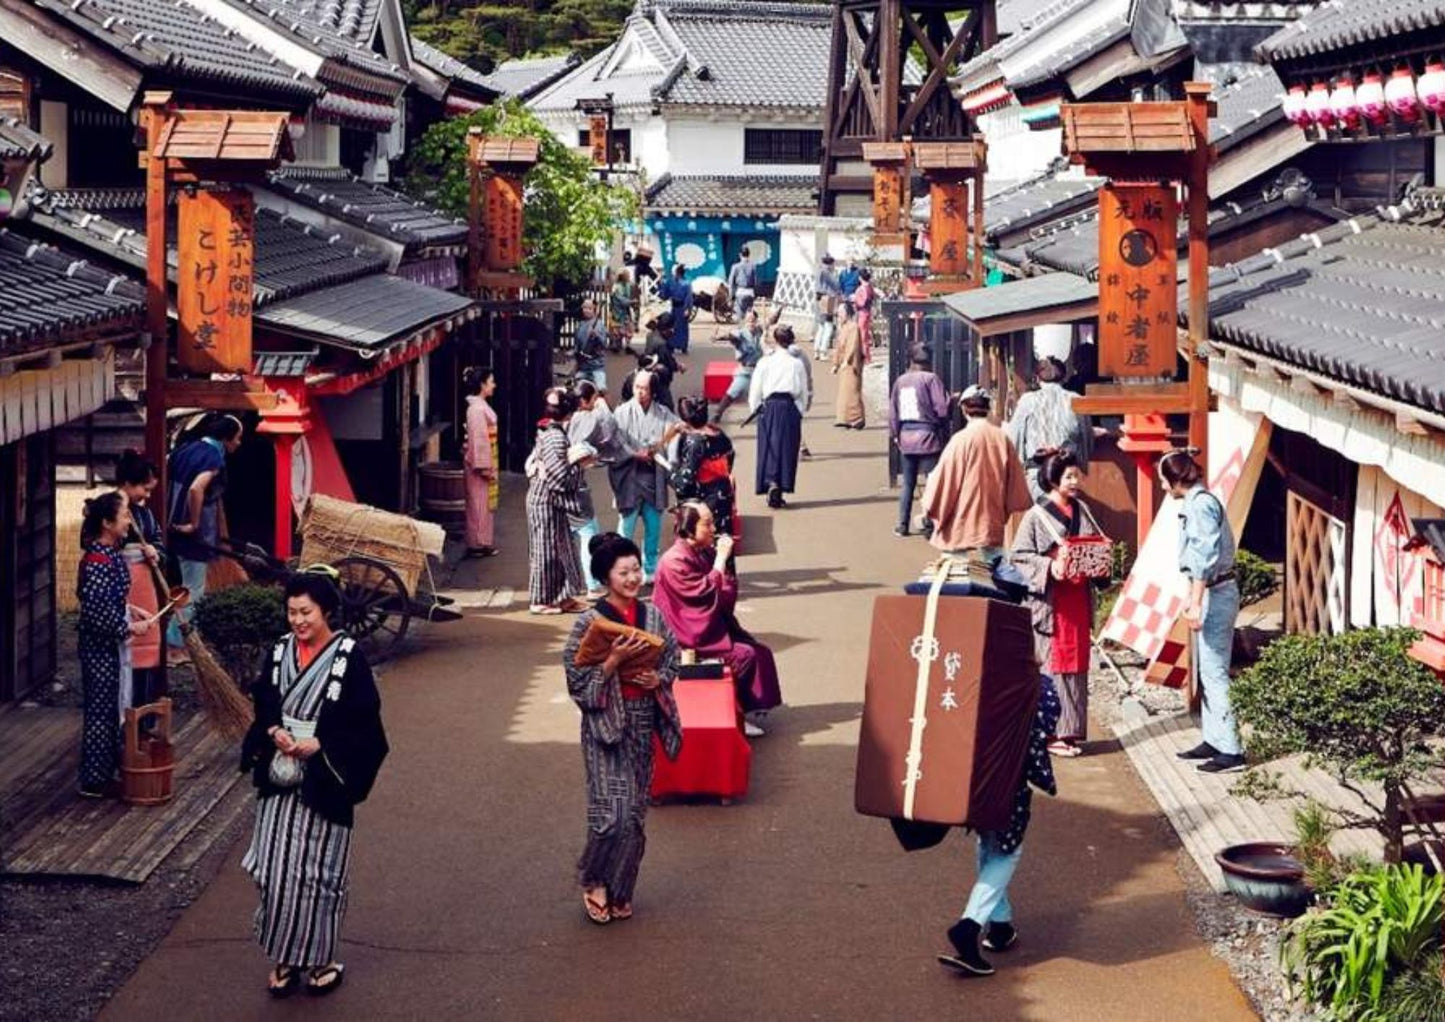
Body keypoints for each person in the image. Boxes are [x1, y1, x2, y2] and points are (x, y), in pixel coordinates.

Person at [239, 569, 388, 998]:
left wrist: (321, 741)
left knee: (316, 873)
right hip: (280, 777)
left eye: (306, 612)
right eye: (291, 612)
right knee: (274, 869)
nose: (298, 621)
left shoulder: (347, 655)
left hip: (325, 775)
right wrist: (272, 731)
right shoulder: (280, 649)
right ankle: (285, 957)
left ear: (326, 611)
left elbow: (364, 718)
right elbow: (265, 696)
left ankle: (322, 958)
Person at [563, 533, 682, 925]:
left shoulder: (653, 616)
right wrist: (612, 661)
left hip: (642, 718)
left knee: (633, 814)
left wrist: (657, 679)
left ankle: (620, 887)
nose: (633, 578)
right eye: (624, 571)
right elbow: (577, 681)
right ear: (606, 577)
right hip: (604, 724)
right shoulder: (588, 622)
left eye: (636, 569)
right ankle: (594, 878)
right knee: (609, 813)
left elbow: (672, 656)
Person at [939, 676, 1060, 977]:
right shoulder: (1033, 685)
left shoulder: (973, 674)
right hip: (1008, 783)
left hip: (973, 780)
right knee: (1007, 853)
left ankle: (1001, 924)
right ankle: (969, 926)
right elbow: (1043, 726)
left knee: (989, 845)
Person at [653, 502, 782, 735]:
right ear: (689, 528)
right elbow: (702, 594)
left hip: (704, 626)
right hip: (685, 636)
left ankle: (745, 709)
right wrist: (721, 560)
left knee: (759, 650)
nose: (713, 528)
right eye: (707, 524)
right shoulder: (674, 561)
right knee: (744, 656)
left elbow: (720, 591)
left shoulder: (701, 551)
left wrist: (724, 567)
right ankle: (737, 714)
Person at [1009, 452, 1105, 757]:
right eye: (1069, 477)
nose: (1075, 482)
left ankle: (1071, 731)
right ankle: (1051, 733)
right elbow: (1019, 556)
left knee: (1077, 665)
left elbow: (1096, 542)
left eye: (1077, 476)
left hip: (1076, 598)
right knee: (1052, 664)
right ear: (1053, 479)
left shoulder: (1083, 509)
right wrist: (1050, 567)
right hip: (1051, 601)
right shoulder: (1035, 516)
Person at [1162, 449, 1245, 774]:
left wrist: (1195, 600)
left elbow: (1204, 556)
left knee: (1214, 671)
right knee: (1207, 669)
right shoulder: (1197, 503)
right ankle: (1215, 738)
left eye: (1162, 480)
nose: (1162, 487)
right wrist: (1191, 596)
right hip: (1210, 590)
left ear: (1173, 480)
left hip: (1216, 592)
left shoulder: (1201, 506)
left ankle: (1232, 750)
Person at [76, 492, 147, 798]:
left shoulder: (111, 555)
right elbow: (95, 613)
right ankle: (93, 779)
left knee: (115, 706)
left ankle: (110, 769)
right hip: (99, 649)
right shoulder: (95, 563)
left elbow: (111, 602)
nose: (129, 521)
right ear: (107, 523)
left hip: (112, 647)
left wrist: (131, 610)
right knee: (101, 711)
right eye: (125, 516)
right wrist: (128, 626)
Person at [165, 413, 242, 663]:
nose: (238, 444)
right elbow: (197, 488)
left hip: (173, 524)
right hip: (192, 533)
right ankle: (175, 645)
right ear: (226, 438)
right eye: (238, 439)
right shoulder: (213, 456)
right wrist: (194, 523)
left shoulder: (185, 449)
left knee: (187, 585)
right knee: (193, 590)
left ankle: (180, 639)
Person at [922, 385, 1032, 556]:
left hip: (960, 524)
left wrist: (929, 508)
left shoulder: (960, 440)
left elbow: (944, 482)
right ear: (988, 408)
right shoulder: (1002, 438)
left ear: (965, 409)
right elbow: (1016, 485)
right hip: (991, 522)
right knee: (992, 571)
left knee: (958, 573)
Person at [611, 372, 683, 580]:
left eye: (645, 388)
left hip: (653, 476)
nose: (640, 393)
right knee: (626, 528)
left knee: (653, 527)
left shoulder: (663, 412)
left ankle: (650, 568)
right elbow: (616, 440)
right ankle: (621, 568)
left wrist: (668, 443)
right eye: (637, 387)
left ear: (653, 391)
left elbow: (675, 428)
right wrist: (633, 453)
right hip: (629, 476)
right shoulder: (622, 412)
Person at [526, 387, 589, 614]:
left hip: (550, 499)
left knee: (562, 548)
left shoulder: (548, 429)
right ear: (569, 413)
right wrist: (579, 466)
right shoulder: (554, 436)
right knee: (546, 550)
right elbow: (559, 479)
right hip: (546, 498)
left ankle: (563, 596)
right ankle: (541, 600)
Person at [115, 450, 164, 709]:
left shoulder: (144, 515)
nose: (147, 495)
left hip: (144, 583)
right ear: (128, 483)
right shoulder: (109, 508)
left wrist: (155, 551)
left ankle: (144, 713)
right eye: (144, 489)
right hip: (118, 585)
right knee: (124, 644)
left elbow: (157, 540)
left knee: (147, 641)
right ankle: (124, 717)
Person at [1007, 357, 1094, 500]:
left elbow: (1014, 439)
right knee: (1066, 516)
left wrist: (1021, 465)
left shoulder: (1028, 401)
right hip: (1068, 473)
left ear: (1037, 378)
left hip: (1039, 473)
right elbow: (1088, 443)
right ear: (1063, 376)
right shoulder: (1076, 399)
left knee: (1044, 516)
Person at [569, 380, 625, 598]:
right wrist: (602, 406)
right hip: (576, 487)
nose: (595, 402)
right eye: (593, 398)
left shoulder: (567, 418)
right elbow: (609, 430)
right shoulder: (586, 417)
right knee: (588, 534)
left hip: (561, 486)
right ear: (585, 400)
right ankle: (592, 584)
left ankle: (572, 584)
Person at [889, 345, 951, 538]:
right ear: (929, 360)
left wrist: (896, 435)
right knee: (931, 481)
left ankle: (902, 524)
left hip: (906, 437)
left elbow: (893, 413)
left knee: (908, 483)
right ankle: (930, 523)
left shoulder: (901, 381)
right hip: (928, 436)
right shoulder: (931, 379)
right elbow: (941, 408)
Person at [748, 324, 808, 509]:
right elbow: (803, 391)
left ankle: (770, 482)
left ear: (775, 340)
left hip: (769, 406)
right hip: (789, 406)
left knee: (768, 447)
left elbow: (756, 387)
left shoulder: (765, 362)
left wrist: (755, 407)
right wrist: (800, 410)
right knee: (787, 448)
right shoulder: (796, 363)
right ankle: (780, 485)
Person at [670, 396, 736, 536]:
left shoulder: (695, 442)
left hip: (704, 502)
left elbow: (684, 484)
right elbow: (730, 460)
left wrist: (669, 473)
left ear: (686, 420)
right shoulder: (719, 434)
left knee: (705, 547)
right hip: (723, 493)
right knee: (723, 540)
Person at [462, 366, 500, 559]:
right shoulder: (476, 410)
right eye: (491, 381)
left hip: (486, 459)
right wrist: (484, 466)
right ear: (482, 385)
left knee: (482, 504)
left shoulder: (477, 407)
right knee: (478, 504)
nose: (494, 385)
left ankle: (482, 541)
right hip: (479, 463)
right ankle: (477, 542)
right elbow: (479, 441)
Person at [712, 307, 764, 424]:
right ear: (745, 321)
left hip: (759, 370)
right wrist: (721, 337)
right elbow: (732, 337)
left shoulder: (760, 331)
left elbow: (772, 321)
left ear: (756, 321)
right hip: (745, 370)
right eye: (748, 320)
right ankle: (717, 413)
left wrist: (780, 310)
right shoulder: (740, 333)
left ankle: (766, 415)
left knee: (766, 393)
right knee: (732, 392)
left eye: (753, 320)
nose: (751, 323)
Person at [830, 301, 866, 429]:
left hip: (852, 363)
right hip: (845, 363)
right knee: (844, 391)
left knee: (853, 390)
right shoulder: (843, 328)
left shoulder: (853, 327)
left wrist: (847, 360)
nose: (839, 315)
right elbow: (838, 347)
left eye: (841, 312)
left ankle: (857, 418)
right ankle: (844, 417)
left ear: (847, 313)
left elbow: (853, 345)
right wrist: (836, 363)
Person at [641, 313, 684, 409]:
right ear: (666, 329)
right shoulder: (662, 344)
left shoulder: (651, 335)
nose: (673, 331)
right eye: (671, 328)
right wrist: (678, 366)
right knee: (668, 406)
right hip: (660, 379)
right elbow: (669, 363)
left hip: (648, 374)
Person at [574, 298, 610, 392]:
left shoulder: (599, 325)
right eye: (584, 308)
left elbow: (604, 344)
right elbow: (577, 345)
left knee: (602, 389)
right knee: (576, 390)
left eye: (589, 308)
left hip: (596, 366)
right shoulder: (580, 325)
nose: (586, 310)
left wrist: (596, 336)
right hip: (583, 366)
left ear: (594, 309)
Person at [657, 264, 693, 354]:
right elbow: (665, 295)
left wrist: (687, 309)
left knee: (681, 327)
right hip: (675, 307)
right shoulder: (671, 282)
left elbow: (688, 298)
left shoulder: (685, 283)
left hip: (681, 307)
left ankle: (682, 345)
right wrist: (661, 285)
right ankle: (673, 345)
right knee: (673, 326)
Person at [813, 254, 842, 359]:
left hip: (820, 298)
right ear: (830, 264)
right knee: (828, 326)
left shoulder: (819, 272)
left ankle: (817, 349)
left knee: (821, 326)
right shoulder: (827, 273)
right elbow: (835, 285)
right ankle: (823, 350)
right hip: (828, 298)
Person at [726, 246, 757, 320]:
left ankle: (741, 329)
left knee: (740, 316)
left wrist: (731, 296)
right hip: (750, 293)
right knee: (749, 316)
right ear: (749, 255)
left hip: (740, 292)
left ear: (740, 255)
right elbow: (756, 281)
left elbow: (731, 283)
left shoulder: (735, 267)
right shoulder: (753, 266)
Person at [853, 267, 876, 363]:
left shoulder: (861, 289)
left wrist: (855, 300)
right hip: (868, 311)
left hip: (862, 312)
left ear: (860, 278)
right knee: (865, 334)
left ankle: (865, 357)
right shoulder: (870, 287)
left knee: (862, 335)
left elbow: (862, 302)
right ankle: (867, 356)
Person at [609, 269, 635, 351]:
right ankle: (617, 344)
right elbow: (620, 299)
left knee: (628, 328)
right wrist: (631, 302)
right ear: (622, 276)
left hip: (626, 311)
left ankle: (628, 345)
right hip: (617, 311)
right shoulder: (616, 287)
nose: (629, 277)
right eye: (627, 275)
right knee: (617, 329)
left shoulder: (628, 285)